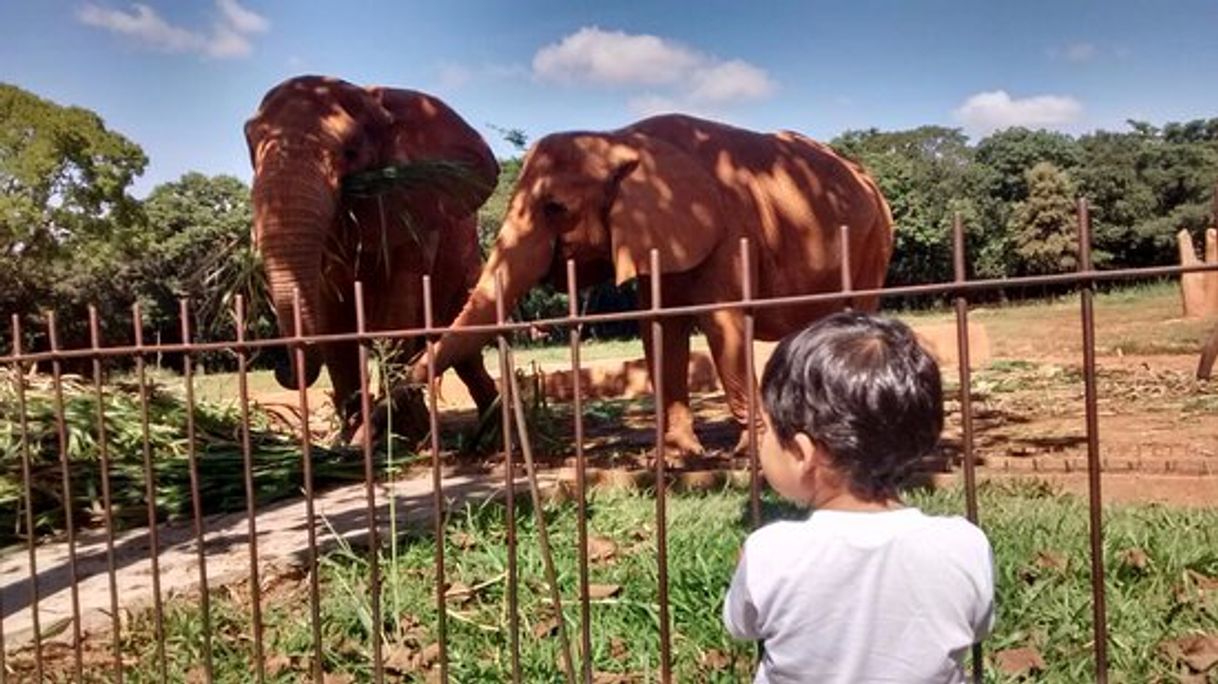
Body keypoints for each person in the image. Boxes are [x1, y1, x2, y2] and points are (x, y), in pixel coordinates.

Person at [723, 311, 994, 683]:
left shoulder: (770, 551)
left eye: (766, 430)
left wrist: (748, 568)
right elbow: (977, 626)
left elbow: (741, 626)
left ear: (802, 453)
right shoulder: (965, 545)